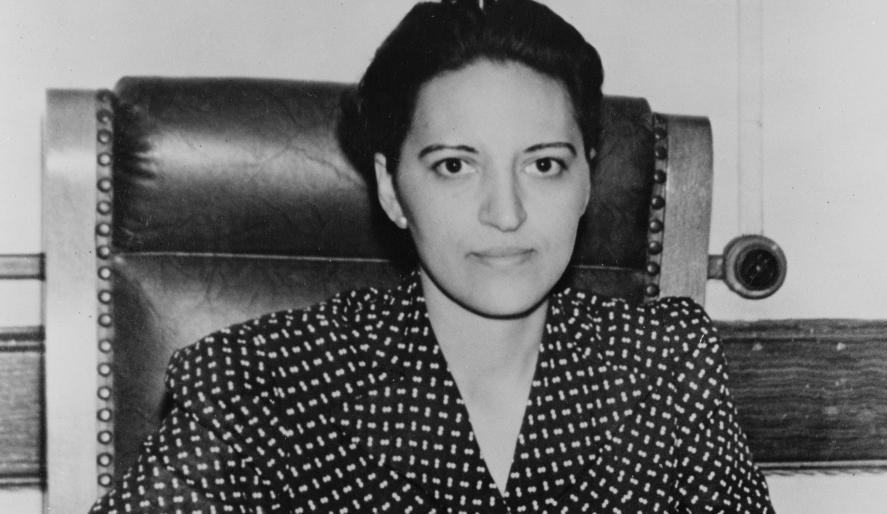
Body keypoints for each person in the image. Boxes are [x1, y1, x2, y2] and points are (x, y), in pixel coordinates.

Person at [90, 0, 774, 512]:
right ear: (392, 188)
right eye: (454, 166)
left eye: (543, 164)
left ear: (588, 178)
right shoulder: (263, 384)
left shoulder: (663, 367)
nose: (504, 213)